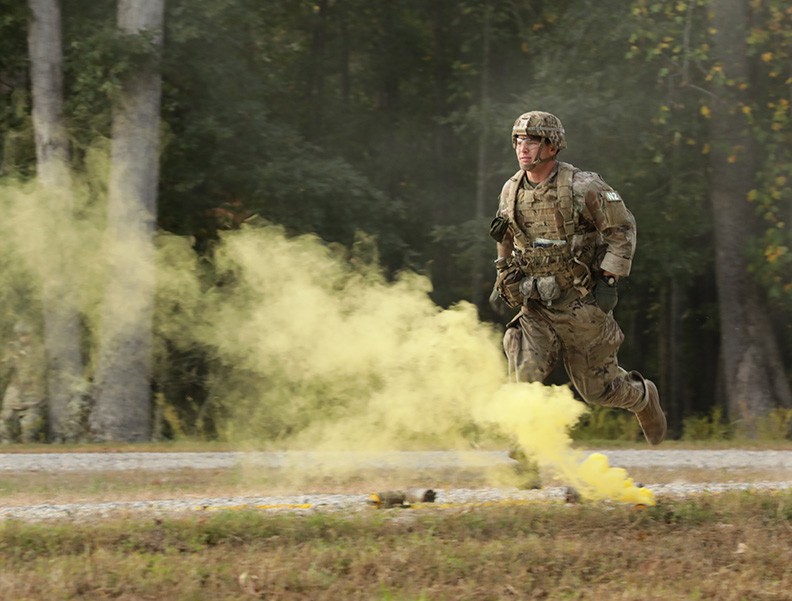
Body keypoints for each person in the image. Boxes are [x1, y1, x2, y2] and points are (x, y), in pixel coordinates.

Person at [490, 110, 666, 445]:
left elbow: (622, 231)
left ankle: (643, 397)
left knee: (598, 390)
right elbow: (505, 233)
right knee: (522, 366)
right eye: (518, 140)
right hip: (536, 303)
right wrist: (504, 272)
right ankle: (526, 451)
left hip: (581, 303)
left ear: (552, 146)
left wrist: (609, 279)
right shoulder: (511, 191)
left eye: (532, 140)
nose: (522, 148)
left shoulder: (583, 187)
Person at [0, 321, 47, 443]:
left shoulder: (40, 350)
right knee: (4, 425)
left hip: (33, 393)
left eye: (26, 334)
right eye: (20, 334)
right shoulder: (12, 349)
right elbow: (4, 372)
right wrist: (9, 357)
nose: (23, 337)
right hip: (15, 392)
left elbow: (40, 372)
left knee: (29, 429)